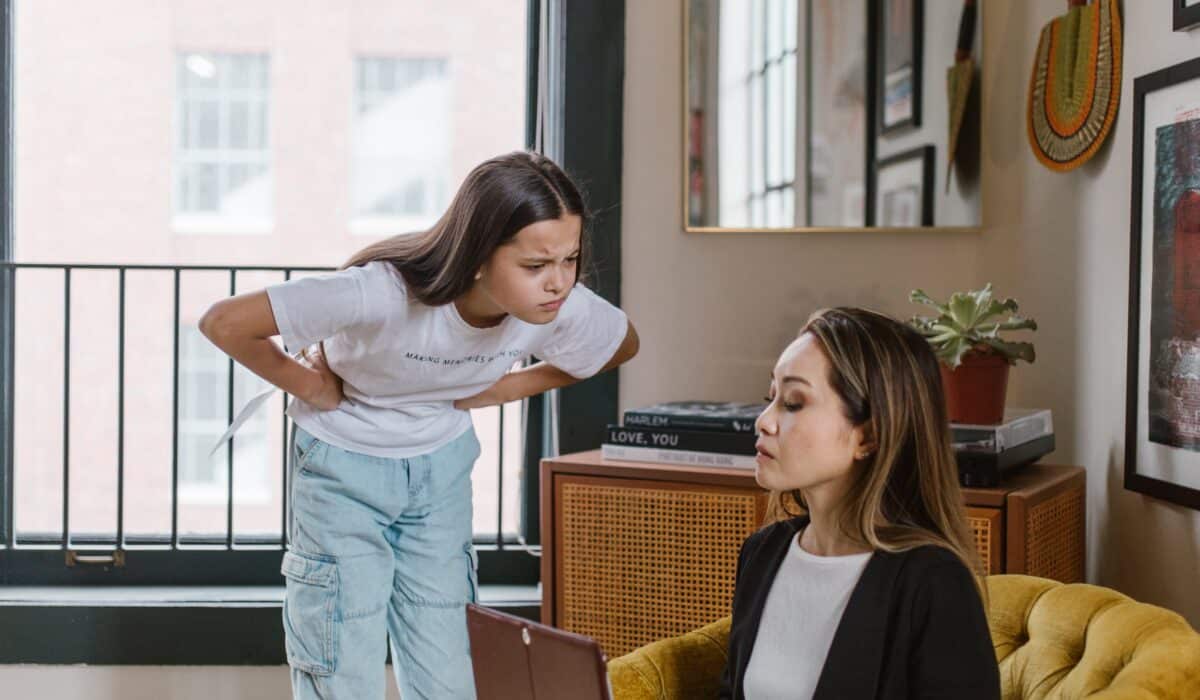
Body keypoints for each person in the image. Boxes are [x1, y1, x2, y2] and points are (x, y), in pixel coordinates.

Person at [200, 151, 639, 699]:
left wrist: (509, 386)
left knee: (449, 666)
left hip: (441, 470)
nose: (558, 283)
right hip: (343, 469)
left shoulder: (559, 306)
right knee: (342, 660)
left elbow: (620, 342)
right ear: (479, 255)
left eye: (570, 259)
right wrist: (311, 386)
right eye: (535, 265)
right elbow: (224, 322)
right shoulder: (382, 291)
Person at [719, 307, 999, 699]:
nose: (763, 421)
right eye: (771, 398)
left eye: (794, 403)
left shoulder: (933, 583)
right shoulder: (762, 553)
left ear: (868, 436)